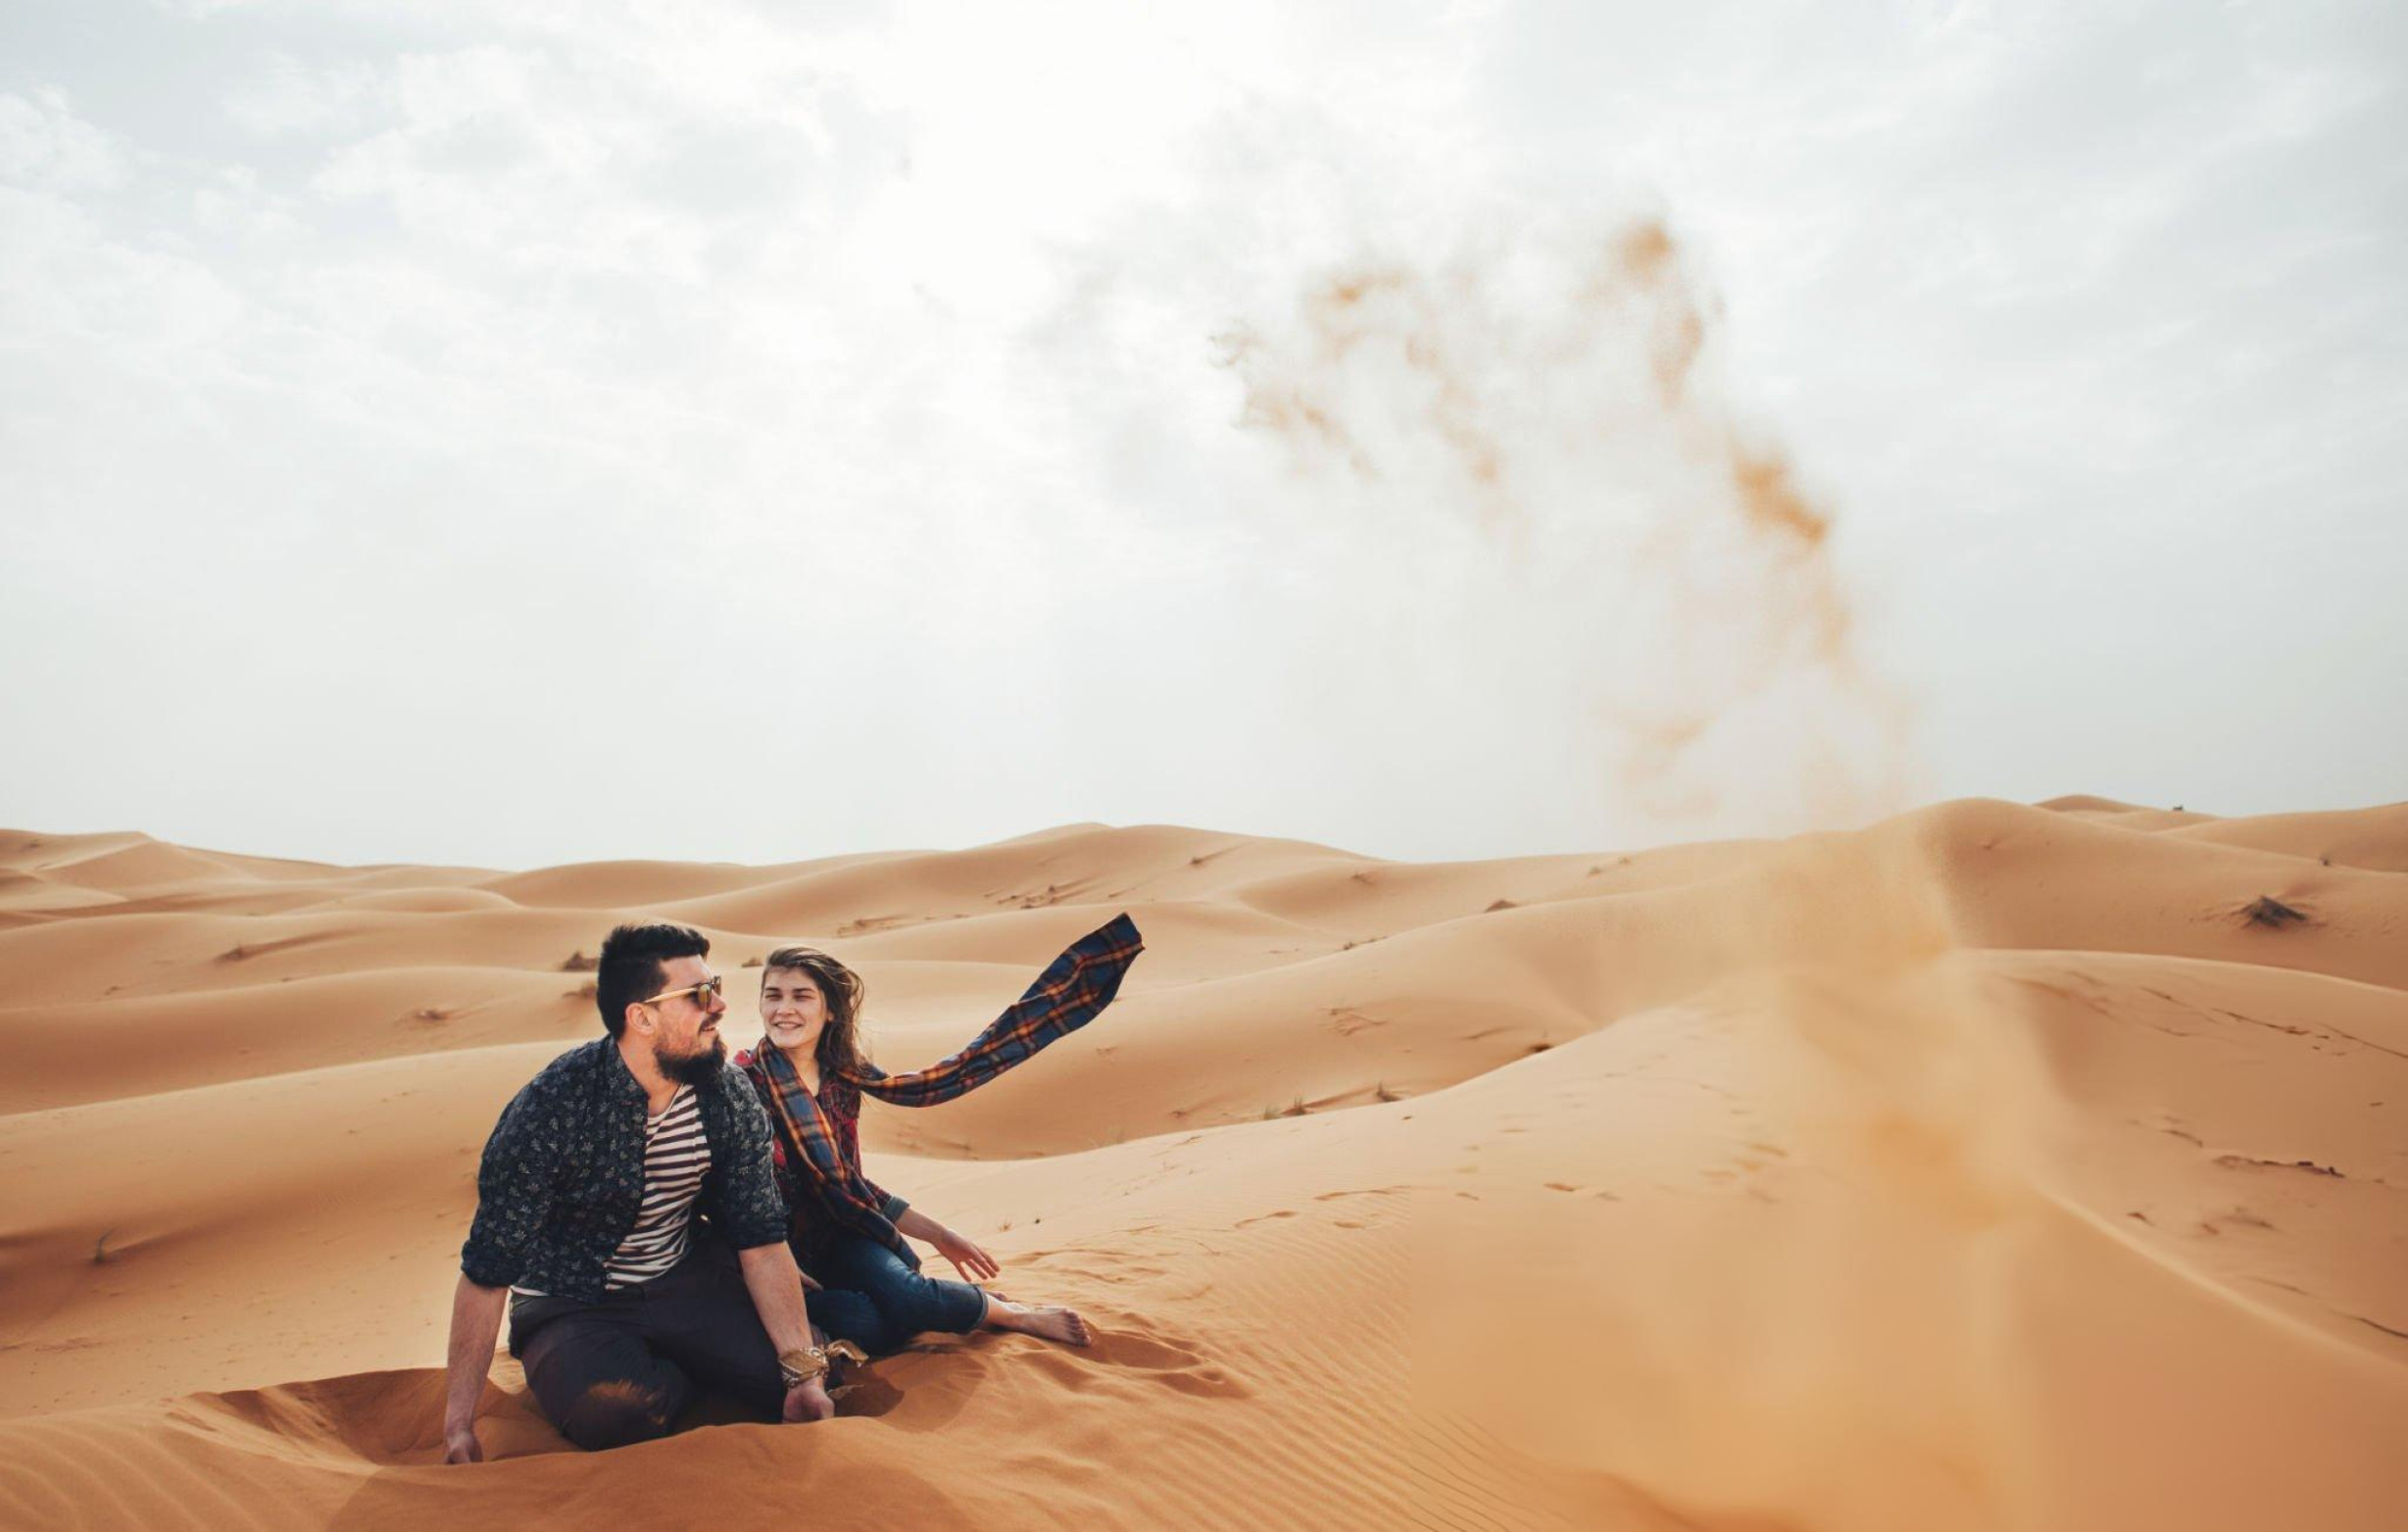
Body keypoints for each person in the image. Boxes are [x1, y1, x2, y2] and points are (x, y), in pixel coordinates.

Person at [439, 922, 860, 1462]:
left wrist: (801, 1371)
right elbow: (487, 1271)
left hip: (684, 1278)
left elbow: (759, 1237)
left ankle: (698, 1358)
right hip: (573, 1302)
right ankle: (671, 1371)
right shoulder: (551, 1109)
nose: (721, 1006)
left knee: (814, 1372)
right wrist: (458, 1425)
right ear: (641, 1017)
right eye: (699, 995)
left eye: (717, 986)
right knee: (615, 1414)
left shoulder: (726, 1095)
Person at [736, 913, 1144, 1358]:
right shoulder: (742, 1083)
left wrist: (939, 1234)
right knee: (867, 1326)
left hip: (844, 1233)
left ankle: (1012, 1315)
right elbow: (730, 1195)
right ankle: (951, 1307)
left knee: (909, 1301)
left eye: (801, 997)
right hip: (771, 1250)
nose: (784, 1009)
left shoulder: (844, 1080)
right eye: (772, 996)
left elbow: (850, 1184)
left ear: (829, 1010)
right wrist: (775, 1264)